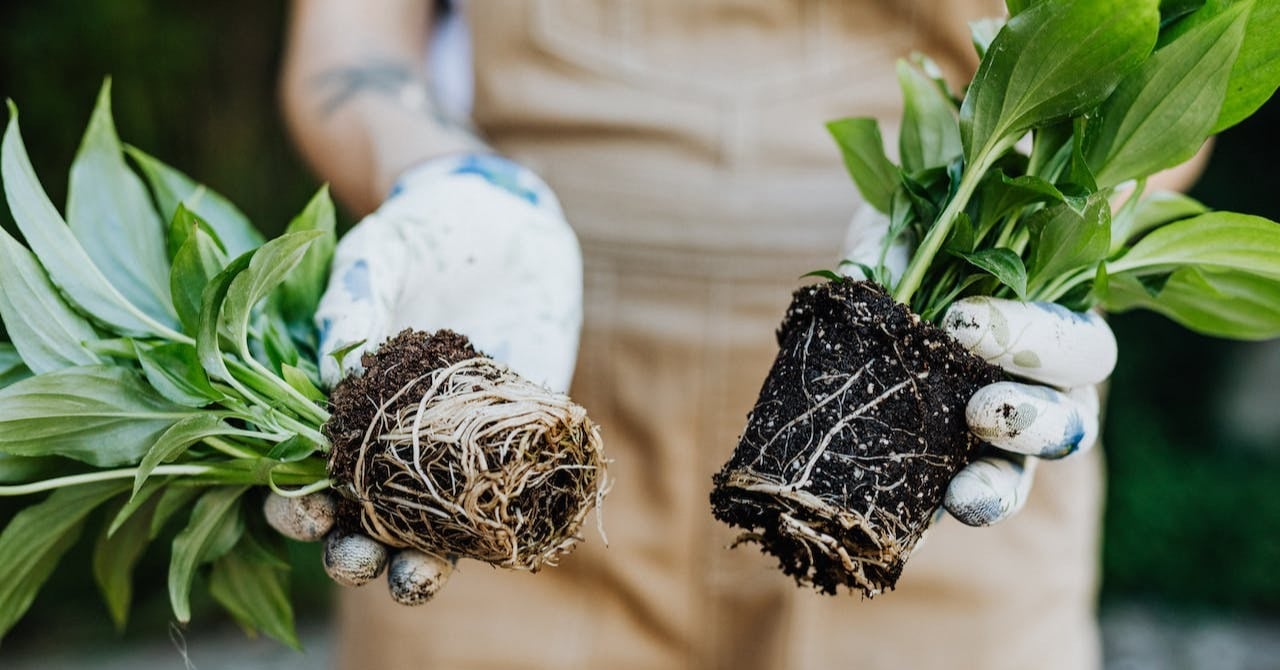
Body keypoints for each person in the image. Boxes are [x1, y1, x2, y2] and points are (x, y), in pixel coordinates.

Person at [275, 2, 1208, 668]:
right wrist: (435, 178)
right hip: (526, 387)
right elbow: (351, 43)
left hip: (919, 418)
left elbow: (1162, 70)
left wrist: (1026, 246)